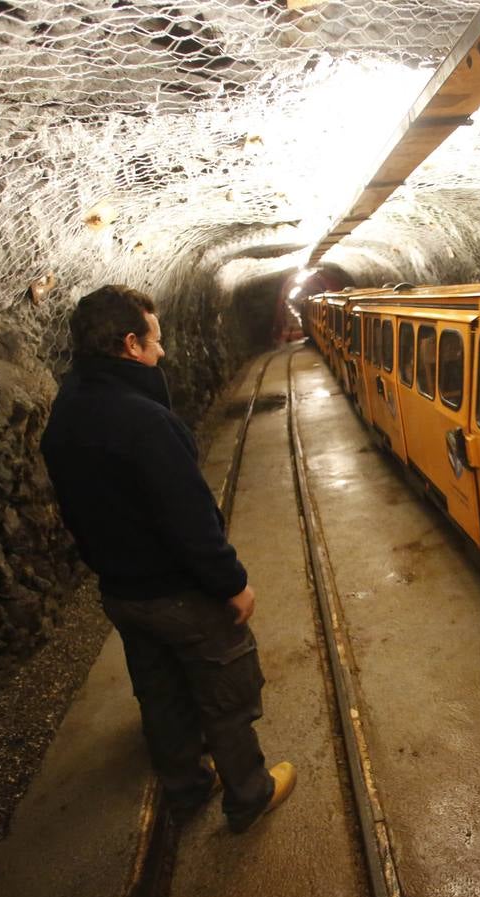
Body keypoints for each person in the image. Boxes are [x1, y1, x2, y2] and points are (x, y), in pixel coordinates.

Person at [40, 284, 295, 833]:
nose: (162, 353)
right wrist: (232, 584)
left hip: (121, 593)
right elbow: (190, 520)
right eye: (155, 342)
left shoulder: (64, 414)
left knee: (160, 697)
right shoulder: (145, 420)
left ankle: (186, 791)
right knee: (226, 696)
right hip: (180, 594)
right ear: (131, 345)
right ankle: (249, 794)